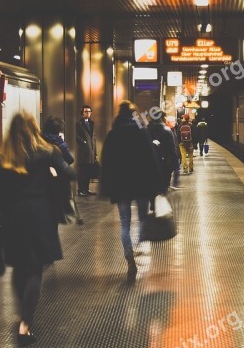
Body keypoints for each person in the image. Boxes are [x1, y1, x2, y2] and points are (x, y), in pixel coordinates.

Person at [0, 112, 76, 346]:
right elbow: (70, 172)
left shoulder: (3, 158)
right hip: (40, 216)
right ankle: (25, 324)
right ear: (33, 130)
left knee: (19, 267)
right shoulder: (46, 153)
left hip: (13, 219)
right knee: (35, 269)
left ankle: (22, 314)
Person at [100, 101, 163, 276]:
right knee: (143, 218)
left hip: (121, 187)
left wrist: (107, 186)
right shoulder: (141, 132)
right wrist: (158, 185)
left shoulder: (112, 134)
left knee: (125, 224)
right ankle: (137, 246)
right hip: (141, 184)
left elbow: (106, 164)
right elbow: (152, 160)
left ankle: (129, 255)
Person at [41, 116, 82, 225]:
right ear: (59, 130)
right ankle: (67, 213)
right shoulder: (60, 144)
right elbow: (70, 159)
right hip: (57, 182)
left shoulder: (38, 141)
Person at [147, 110, 179, 206]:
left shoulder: (146, 130)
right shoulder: (167, 130)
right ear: (161, 118)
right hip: (165, 163)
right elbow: (171, 148)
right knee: (164, 185)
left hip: (150, 163)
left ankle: (152, 202)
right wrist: (176, 164)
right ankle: (161, 203)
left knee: (151, 183)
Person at [75, 105, 97, 196]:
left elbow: (94, 138)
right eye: (86, 112)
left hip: (91, 151)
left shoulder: (92, 123)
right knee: (82, 172)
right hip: (83, 151)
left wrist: (95, 152)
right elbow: (76, 136)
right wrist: (83, 143)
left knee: (88, 172)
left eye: (89, 111)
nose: (88, 113)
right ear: (82, 113)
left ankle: (86, 189)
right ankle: (80, 190)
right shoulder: (79, 123)